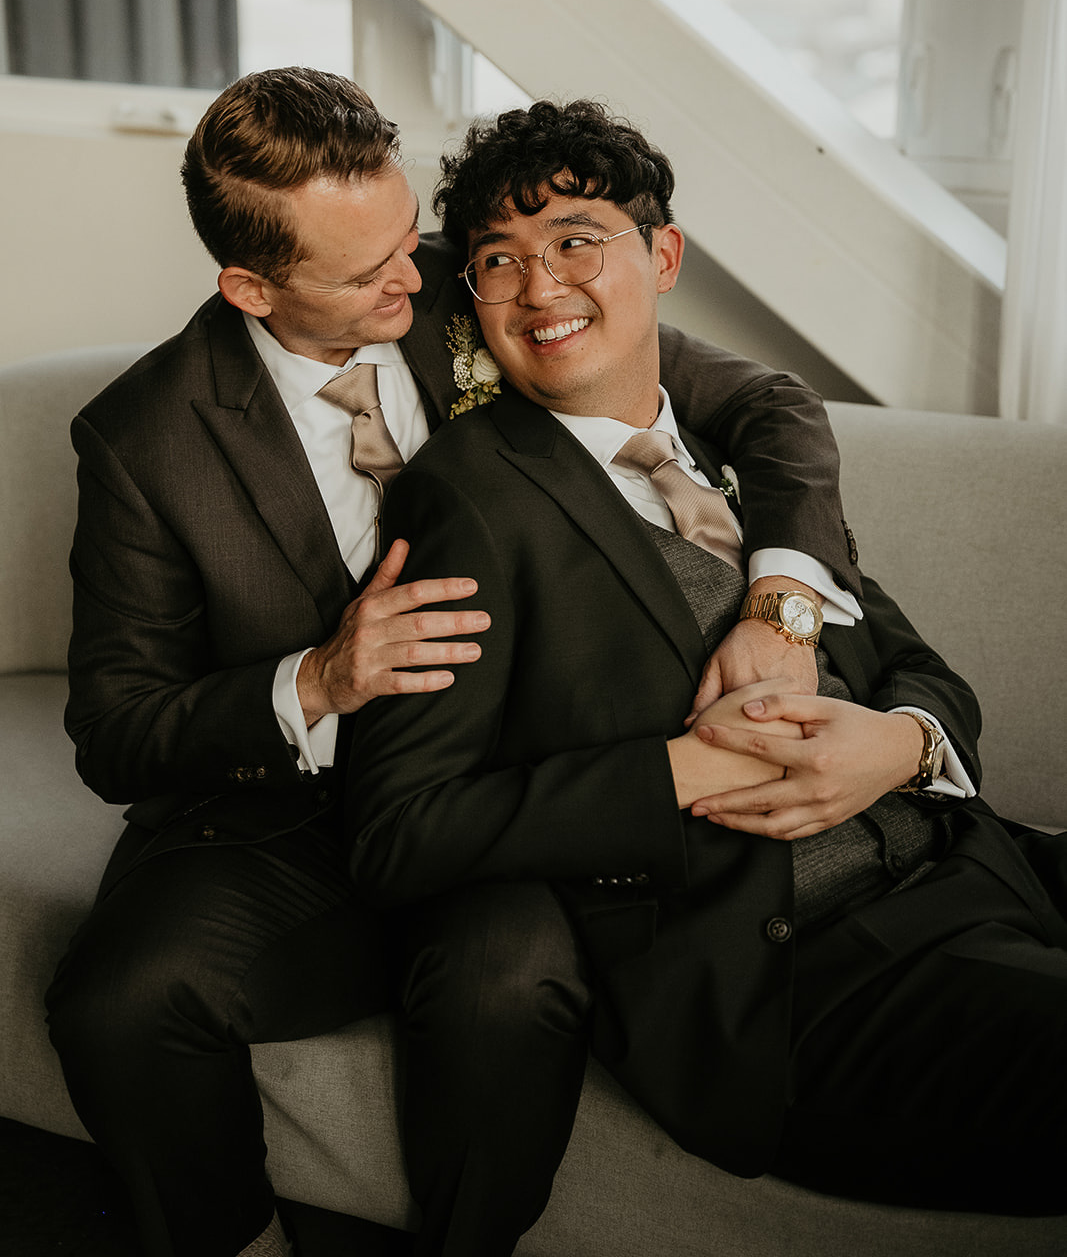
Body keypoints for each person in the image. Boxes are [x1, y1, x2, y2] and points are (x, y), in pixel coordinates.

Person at [45, 69, 862, 1257]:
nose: (416, 277)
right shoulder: (141, 438)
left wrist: (781, 607)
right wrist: (315, 681)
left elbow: (771, 406)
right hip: (286, 823)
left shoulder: (483, 287)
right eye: (367, 268)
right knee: (116, 1005)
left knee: (503, 985)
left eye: (406, 236)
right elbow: (117, 729)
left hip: (500, 788)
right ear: (248, 285)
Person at [347, 97, 1067, 1230]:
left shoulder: (740, 459)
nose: (539, 288)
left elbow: (915, 663)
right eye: (498, 260)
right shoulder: (470, 500)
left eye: (576, 240)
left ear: (662, 255)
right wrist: (679, 772)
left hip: (985, 871)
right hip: (805, 979)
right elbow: (399, 828)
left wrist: (902, 742)